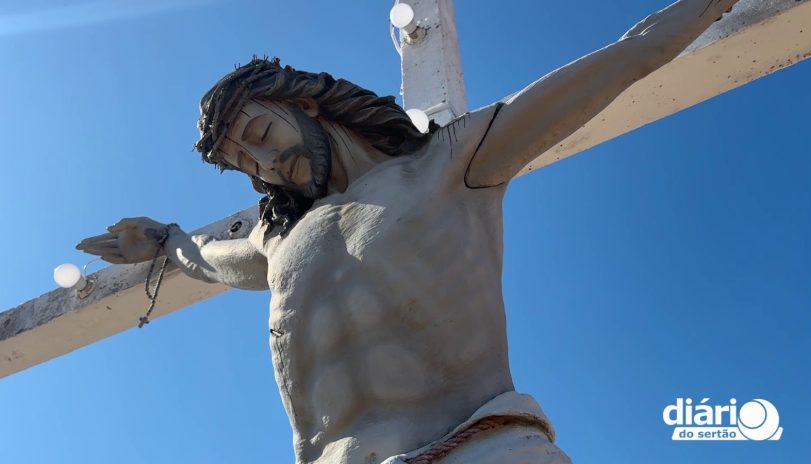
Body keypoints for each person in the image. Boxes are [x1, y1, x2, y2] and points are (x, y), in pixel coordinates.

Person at [77, 1, 738, 462]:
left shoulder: (451, 162)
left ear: (304, 104)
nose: (266, 163)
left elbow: (629, 55)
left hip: (480, 449)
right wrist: (165, 240)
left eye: (261, 133)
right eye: (246, 164)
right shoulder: (278, 242)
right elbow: (205, 259)